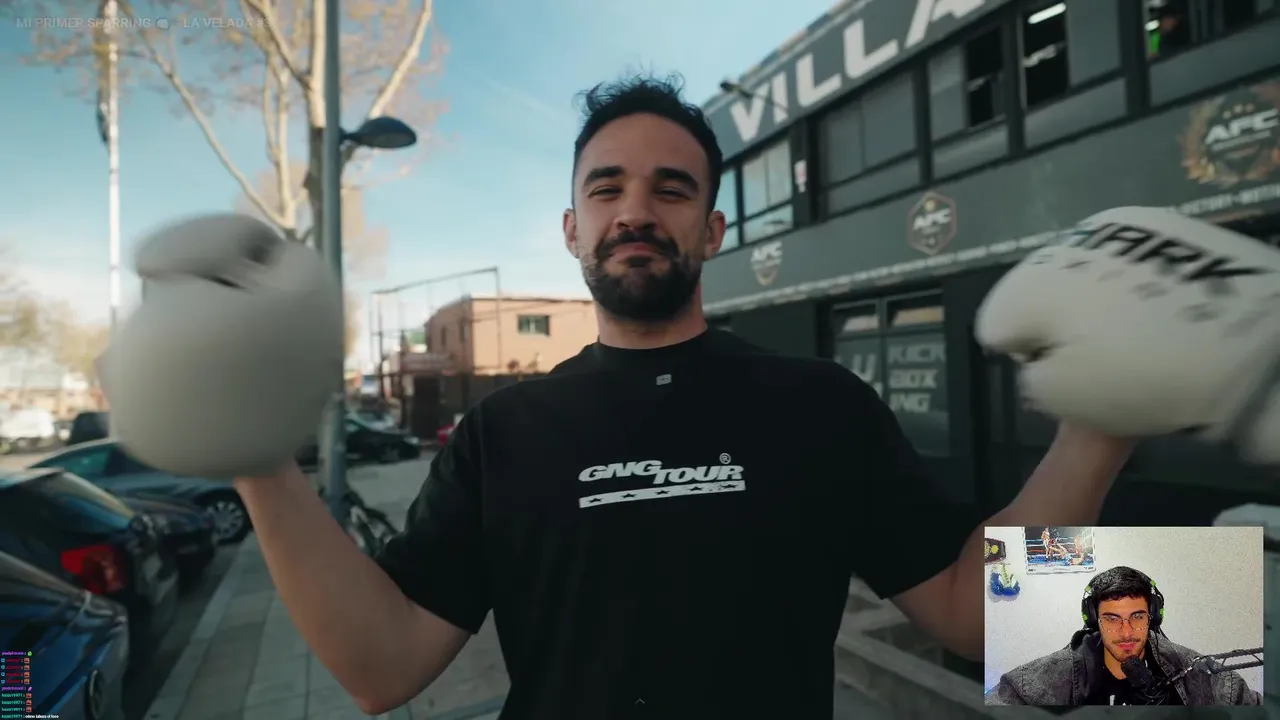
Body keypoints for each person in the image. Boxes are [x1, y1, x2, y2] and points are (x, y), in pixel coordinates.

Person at [232, 74, 1135, 719]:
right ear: (572, 229)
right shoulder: (502, 433)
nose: (636, 211)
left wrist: (1100, 429)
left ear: (711, 229)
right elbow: (382, 671)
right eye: (607, 189)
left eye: (672, 190)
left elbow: (976, 618)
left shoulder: (822, 405)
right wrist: (256, 461)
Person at [986, 566, 1261, 706]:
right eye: (1112, 619)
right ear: (1094, 620)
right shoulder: (1048, 677)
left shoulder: (1190, 670)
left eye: (1137, 617)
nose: (1127, 632)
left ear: (1153, 616)